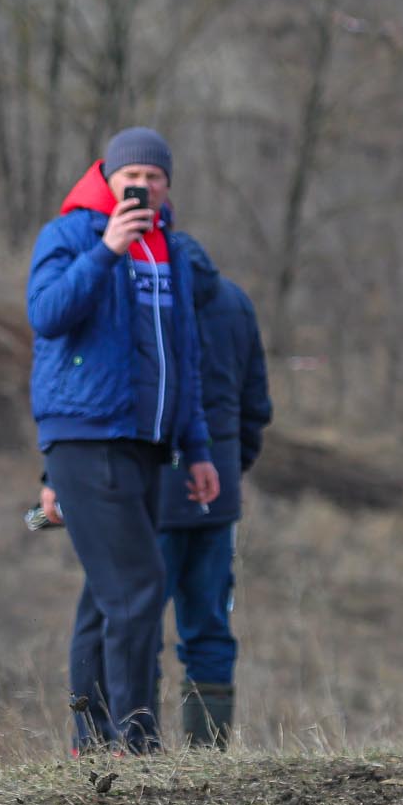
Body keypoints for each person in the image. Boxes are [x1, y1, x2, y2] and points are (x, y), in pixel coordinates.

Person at [28, 127, 218, 753]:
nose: (143, 187)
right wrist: (107, 249)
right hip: (87, 437)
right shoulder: (71, 234)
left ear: (167, 185)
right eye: (130, 177)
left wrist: (196, 449)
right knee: (139, 587)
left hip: (148, 443)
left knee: (105, 596)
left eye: (154, 178)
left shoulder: (172, 251)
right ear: (107, 178)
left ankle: (92, 737)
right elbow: (48, 314)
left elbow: (184, 356)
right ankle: (134, 740)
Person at [151, 240, 271, 748]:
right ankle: (207, 754)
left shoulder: (147, 296)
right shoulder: (235, 301)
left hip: (150, 492)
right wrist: (230, 465)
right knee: (211, 626)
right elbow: (255, 405)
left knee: (134, 625)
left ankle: (131, 746)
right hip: (215, 491)